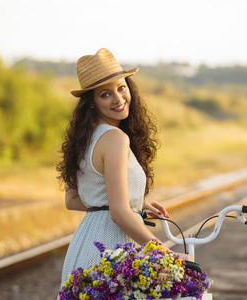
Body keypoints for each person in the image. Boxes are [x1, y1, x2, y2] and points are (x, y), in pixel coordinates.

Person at [56, 48, 191, 288]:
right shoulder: (115, 139)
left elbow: (74, 200)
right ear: (92, 103)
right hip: (112, 250)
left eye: (121, 87)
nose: (118, 99)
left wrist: (136, 201)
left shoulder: (84, 138)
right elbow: (118, 214)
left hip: (83, 248)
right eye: (105, 94)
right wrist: (166, 256)